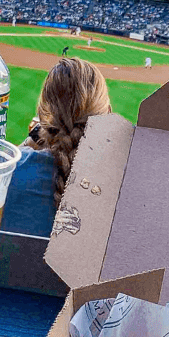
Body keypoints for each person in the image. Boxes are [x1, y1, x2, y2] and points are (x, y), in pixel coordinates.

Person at [20, 58, 113, 220]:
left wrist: (31, 141)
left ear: (42, 116)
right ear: (108, 114)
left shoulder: (7, 176)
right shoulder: (121, 188)